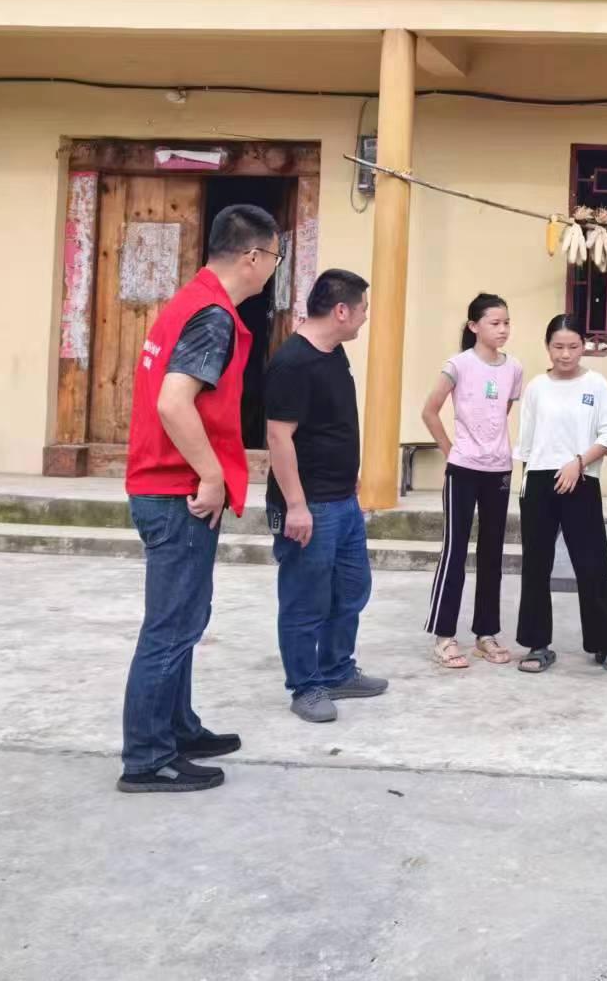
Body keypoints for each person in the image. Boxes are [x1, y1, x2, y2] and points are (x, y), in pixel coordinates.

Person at [118, 203, 280, 794]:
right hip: (177, 493)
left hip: (164, 487)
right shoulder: (212, 316)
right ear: (253, 256)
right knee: (170, 626)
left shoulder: (192, 303)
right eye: (275, 257)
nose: (273, 269)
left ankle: (178, 728)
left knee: (185, 619)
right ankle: (147, 757)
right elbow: (173, 401)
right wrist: (211, 476)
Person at [265, 269, 388, 724]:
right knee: (305, 598)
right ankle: (306, 686)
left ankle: (337, 670)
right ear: (341, 311)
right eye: (362, 310)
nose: (365, 318)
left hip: (342, 499)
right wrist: (296, 505)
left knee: (351, 588)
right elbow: (278, 437)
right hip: (309, 504)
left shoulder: (334, 353)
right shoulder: (293, 362)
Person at [512, 314, 607, 675]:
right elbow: (527, 443)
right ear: (547, 347)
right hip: (539, 481)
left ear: (584, 346)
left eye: (573, 346)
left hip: (581, 478)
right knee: (536, 565)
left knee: (592, 565)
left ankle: (604, 643)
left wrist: (578, 463)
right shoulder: (536, 387)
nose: (565, 354)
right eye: (558, 347)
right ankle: (537, 644)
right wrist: (528, 485)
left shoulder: (596, 384)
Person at [421, 292, 522, 669]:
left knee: (492, 552)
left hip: (499, 469)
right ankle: (444, 635)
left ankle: (486, 633)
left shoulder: (514, 368)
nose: (503, 329)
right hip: (463, 470)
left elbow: (500, 413)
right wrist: (451, 451)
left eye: (507, 322)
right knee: (455, 549)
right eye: (495, 323)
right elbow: (430, 411)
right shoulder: (458, 365)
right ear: (474, 326)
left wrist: (490, 448)